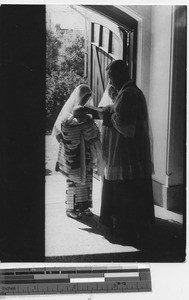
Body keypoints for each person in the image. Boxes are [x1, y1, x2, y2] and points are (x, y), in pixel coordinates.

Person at [99, 60, 155, 241]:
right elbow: (120, 114)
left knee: (126, 189)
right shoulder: (125, 93)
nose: (110, 82)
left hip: (127, 152)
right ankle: (125, 225)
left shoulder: (130, 94)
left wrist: (108, 115)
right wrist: (112, 109)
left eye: (111, 78)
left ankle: (128, 228)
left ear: (120, 75)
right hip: (124, 151)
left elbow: (126, 126)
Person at [52, 84, 103, 220]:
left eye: (88, 98)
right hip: (73, 151)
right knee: (73, 179)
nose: (86, 101)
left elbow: (92, 130)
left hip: (86, 149)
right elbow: (60, 131)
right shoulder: (68, 113)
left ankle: (84, 206)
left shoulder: (87, 114)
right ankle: (71, 207)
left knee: (87, 178)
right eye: (84, 98)